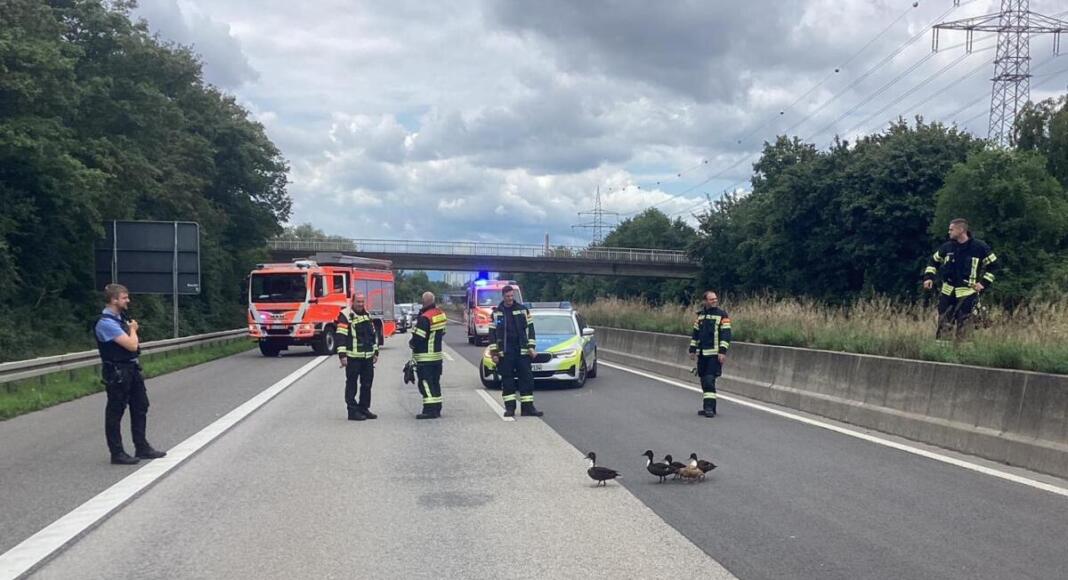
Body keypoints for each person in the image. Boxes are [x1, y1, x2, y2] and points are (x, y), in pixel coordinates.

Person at [94, 284, 167, 465]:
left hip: (131, 369)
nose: (128, 300)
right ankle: (117, 453)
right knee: (115, 412)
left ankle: (141, 446)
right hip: (117, 372)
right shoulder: (106, 323)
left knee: (140, 406)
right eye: (125, 297)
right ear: (114, 300)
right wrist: (133, 329)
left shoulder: (120, 320)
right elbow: (131, 345)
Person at [923, 218, 999, 341]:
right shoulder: (947, 247)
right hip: (947, 293)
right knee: (944, 326)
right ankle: (941, 354)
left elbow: (994, 265)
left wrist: (983, 283)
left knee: (965, 329)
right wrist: (928, 277)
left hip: (968, 294)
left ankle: (963, 355)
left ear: (961, 230)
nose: (949, 232)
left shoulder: (979, 247)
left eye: (951, 229)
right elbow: (933, 261)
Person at [488, 285, 542, 418]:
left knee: (527, 380)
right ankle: (510, 408)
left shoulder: (523, 310)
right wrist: (494, 353)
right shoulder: (497, 313)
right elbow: (492, 335)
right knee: (508, 382)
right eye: (508, 296)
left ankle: (528, 408)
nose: (510, 298)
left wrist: (531, 347)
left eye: (512, 296)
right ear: (503, 296)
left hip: (522, 352)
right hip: (505, 353)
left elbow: (530, 330)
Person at [688, 290, 731, 418]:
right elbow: (695, 334)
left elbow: (726, 334)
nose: (714, 301)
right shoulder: (700, 316)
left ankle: (708, 408)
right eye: (711, 299)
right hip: (702, 354)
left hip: (714, 354)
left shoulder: (722, 315)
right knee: (703, 380)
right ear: (705, 301)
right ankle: (711, 406)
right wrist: (692, 349)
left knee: (709, 380)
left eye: (715, 299)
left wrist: (722, 351)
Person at [336, 293, 379, 421]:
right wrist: (342, 356)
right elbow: (341, 336)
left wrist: (375, 352)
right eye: (358, 302)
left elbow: (372, 335)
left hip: (367, 358)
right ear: (352, 302)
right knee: (352, 385)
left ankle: (364, 408)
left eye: (362, 302)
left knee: (367, 384)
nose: (360, 304)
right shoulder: (345, 315)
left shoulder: (367, 315)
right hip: (352, 358)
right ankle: (352, 411)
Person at [409, 291, 448, 419]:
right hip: (437, 357)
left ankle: (429, 410)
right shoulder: (440, 314)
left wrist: (412, 343)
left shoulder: (425, 318)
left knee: (425, 383)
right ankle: (437, 408)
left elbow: (418, 339)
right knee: (435, 383)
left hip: (425, 358)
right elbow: (442, 332)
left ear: (424, 301)